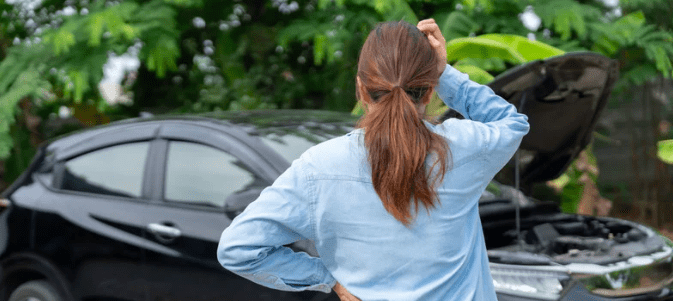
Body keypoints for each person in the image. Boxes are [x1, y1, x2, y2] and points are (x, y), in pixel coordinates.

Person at [217, 19, 529, 301]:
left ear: (360, 89)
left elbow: (238, 249)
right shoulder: (463, 148)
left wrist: (329, 280)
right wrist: (445, 72)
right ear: (429, 91)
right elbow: (512, 124)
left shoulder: (318, 167)